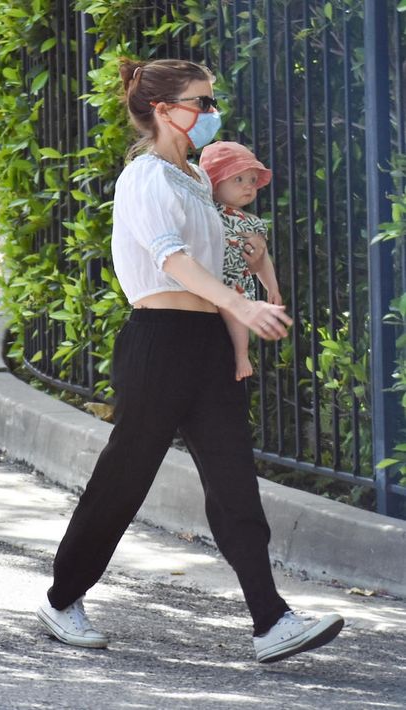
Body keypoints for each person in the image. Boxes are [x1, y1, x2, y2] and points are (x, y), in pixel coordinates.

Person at [37, 58, 344, 664]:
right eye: (201, 103)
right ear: (161, 109)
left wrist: (256, 273)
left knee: (233, 478)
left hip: (205, 345)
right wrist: (239, 304)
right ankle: (62, 596)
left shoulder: (197, 182)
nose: (211, 113)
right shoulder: (145, 177)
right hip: (159, 339)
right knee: (126, 475)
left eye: (210, 102)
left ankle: (271, 620)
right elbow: (171, 259)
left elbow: (219, 261)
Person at [200, 140, 281, 381]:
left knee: (237, 314)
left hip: (235, 282)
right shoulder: (207, 212)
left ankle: (241, 355)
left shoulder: (253, 222)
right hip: (207, 281)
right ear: (214, 183)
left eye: (253, 181)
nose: (248, 187)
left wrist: (272, 287)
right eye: (238, 179)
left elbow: (263, 258)